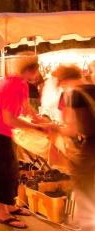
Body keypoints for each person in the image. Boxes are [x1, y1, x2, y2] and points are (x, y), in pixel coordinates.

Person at [0, 54, 52, 229]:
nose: (39, 75)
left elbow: (26, 105)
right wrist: (35, 128)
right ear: (32, 70)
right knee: (3, 173)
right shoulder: (11, 86)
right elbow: (9, 120)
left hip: (6, 133)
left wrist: (37, 119)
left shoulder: (21, 82)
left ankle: (11, 206)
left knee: (13, 171)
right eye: (37, 70)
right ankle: (2, 212)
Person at [51, 65, 95, 231]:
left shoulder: (76, 94)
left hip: (91, 147)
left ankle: (87, 226)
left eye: (61, 84)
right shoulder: (93, 88)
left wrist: (54, 128)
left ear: (65, 80)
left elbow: (73, 129)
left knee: (84, 185)